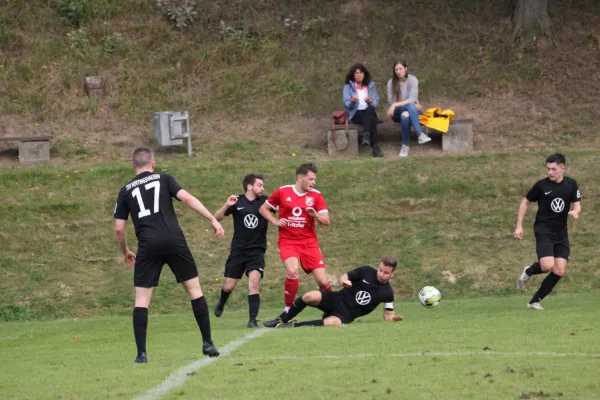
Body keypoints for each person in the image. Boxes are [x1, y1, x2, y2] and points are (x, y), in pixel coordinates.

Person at [113, 147, 224, 363]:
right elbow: (188, 199)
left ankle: (141, 354)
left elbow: (119, 228)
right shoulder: (164, 179)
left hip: (148, 245)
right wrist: (212, 219)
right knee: (194, 290)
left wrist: (125, 251)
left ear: (133, 165)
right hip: (174, 240)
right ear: (152, 164)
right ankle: (208, 343)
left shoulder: (125, 190)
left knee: (142, 300)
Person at [259, 163, 331, 327]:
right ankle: (287, 312)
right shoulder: (283, 191)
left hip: (309, 243)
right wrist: (275, 221)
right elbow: (263, 209)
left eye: (314, 179)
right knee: (292, 271)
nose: (313, 182)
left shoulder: (317, 196)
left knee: (322, 282)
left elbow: (326, 221)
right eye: (310, 179)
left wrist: (315, 215)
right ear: (300, 177)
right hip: (288, 241)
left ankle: (334, 309)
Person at [514, 153, 582, 310]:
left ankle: (533, 302)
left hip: (561, 232)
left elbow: (577, 204)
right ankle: (529, 271)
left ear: (562, 168)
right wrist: (519, 225)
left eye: (553, 169)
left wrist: (576, 211)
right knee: (547, 266)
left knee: (559, 270)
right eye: (548, 169)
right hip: (543, 229)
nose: (550, 172)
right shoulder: (541, 185)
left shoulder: (571, 184)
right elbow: (525, 202)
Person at [266, 256, 403, 328]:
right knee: (309, 296)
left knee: (332, 323)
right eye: (380, 269)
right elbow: (343, 277)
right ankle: (281, 319)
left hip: (346, 315)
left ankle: (292, 326)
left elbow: (388, 314)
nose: (381, 274)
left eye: (386, 273)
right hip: (337, 299)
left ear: (392, 274)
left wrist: (393, 318)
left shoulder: (388, 293)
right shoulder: (366, 271)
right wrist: (344, 281)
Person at [213, 174, 269, 328]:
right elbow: (216, 218)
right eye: (259, 185)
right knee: (229, 285)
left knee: (254, 283)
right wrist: (226, 205)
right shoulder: (237, 201)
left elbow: (283, 208)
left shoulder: (265, 201)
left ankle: (252, 320)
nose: (262, 188)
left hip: (257, 250)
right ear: (250, 186)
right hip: (238, 251)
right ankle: (222, 301)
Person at [386, 60, 431, 157]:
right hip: (397, 113)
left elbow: (412, 99)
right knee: (409, 107)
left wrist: (395, 104)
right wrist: (394, 106)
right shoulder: (390, 83)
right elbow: (391, 101)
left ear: (406, 68)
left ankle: (405, 145)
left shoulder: (413, 80)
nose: (398, 71)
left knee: (405, 115)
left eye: (400, 68)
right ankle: (420, 134)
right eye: (396, 69)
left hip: (412, 112)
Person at [343, 63, 385, 158]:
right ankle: (375, 148)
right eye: (357, 73)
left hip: (368, 112)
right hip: (356, 114)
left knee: (370, 110)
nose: (359, 75)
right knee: (372, 120)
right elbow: (346, 103)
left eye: (361, 73)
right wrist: (352, 102)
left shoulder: (370, 85)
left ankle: (366, 135)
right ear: (353, 75)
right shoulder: (348, 87)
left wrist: (370, 101)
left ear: (364, 74)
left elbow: (375, 102)